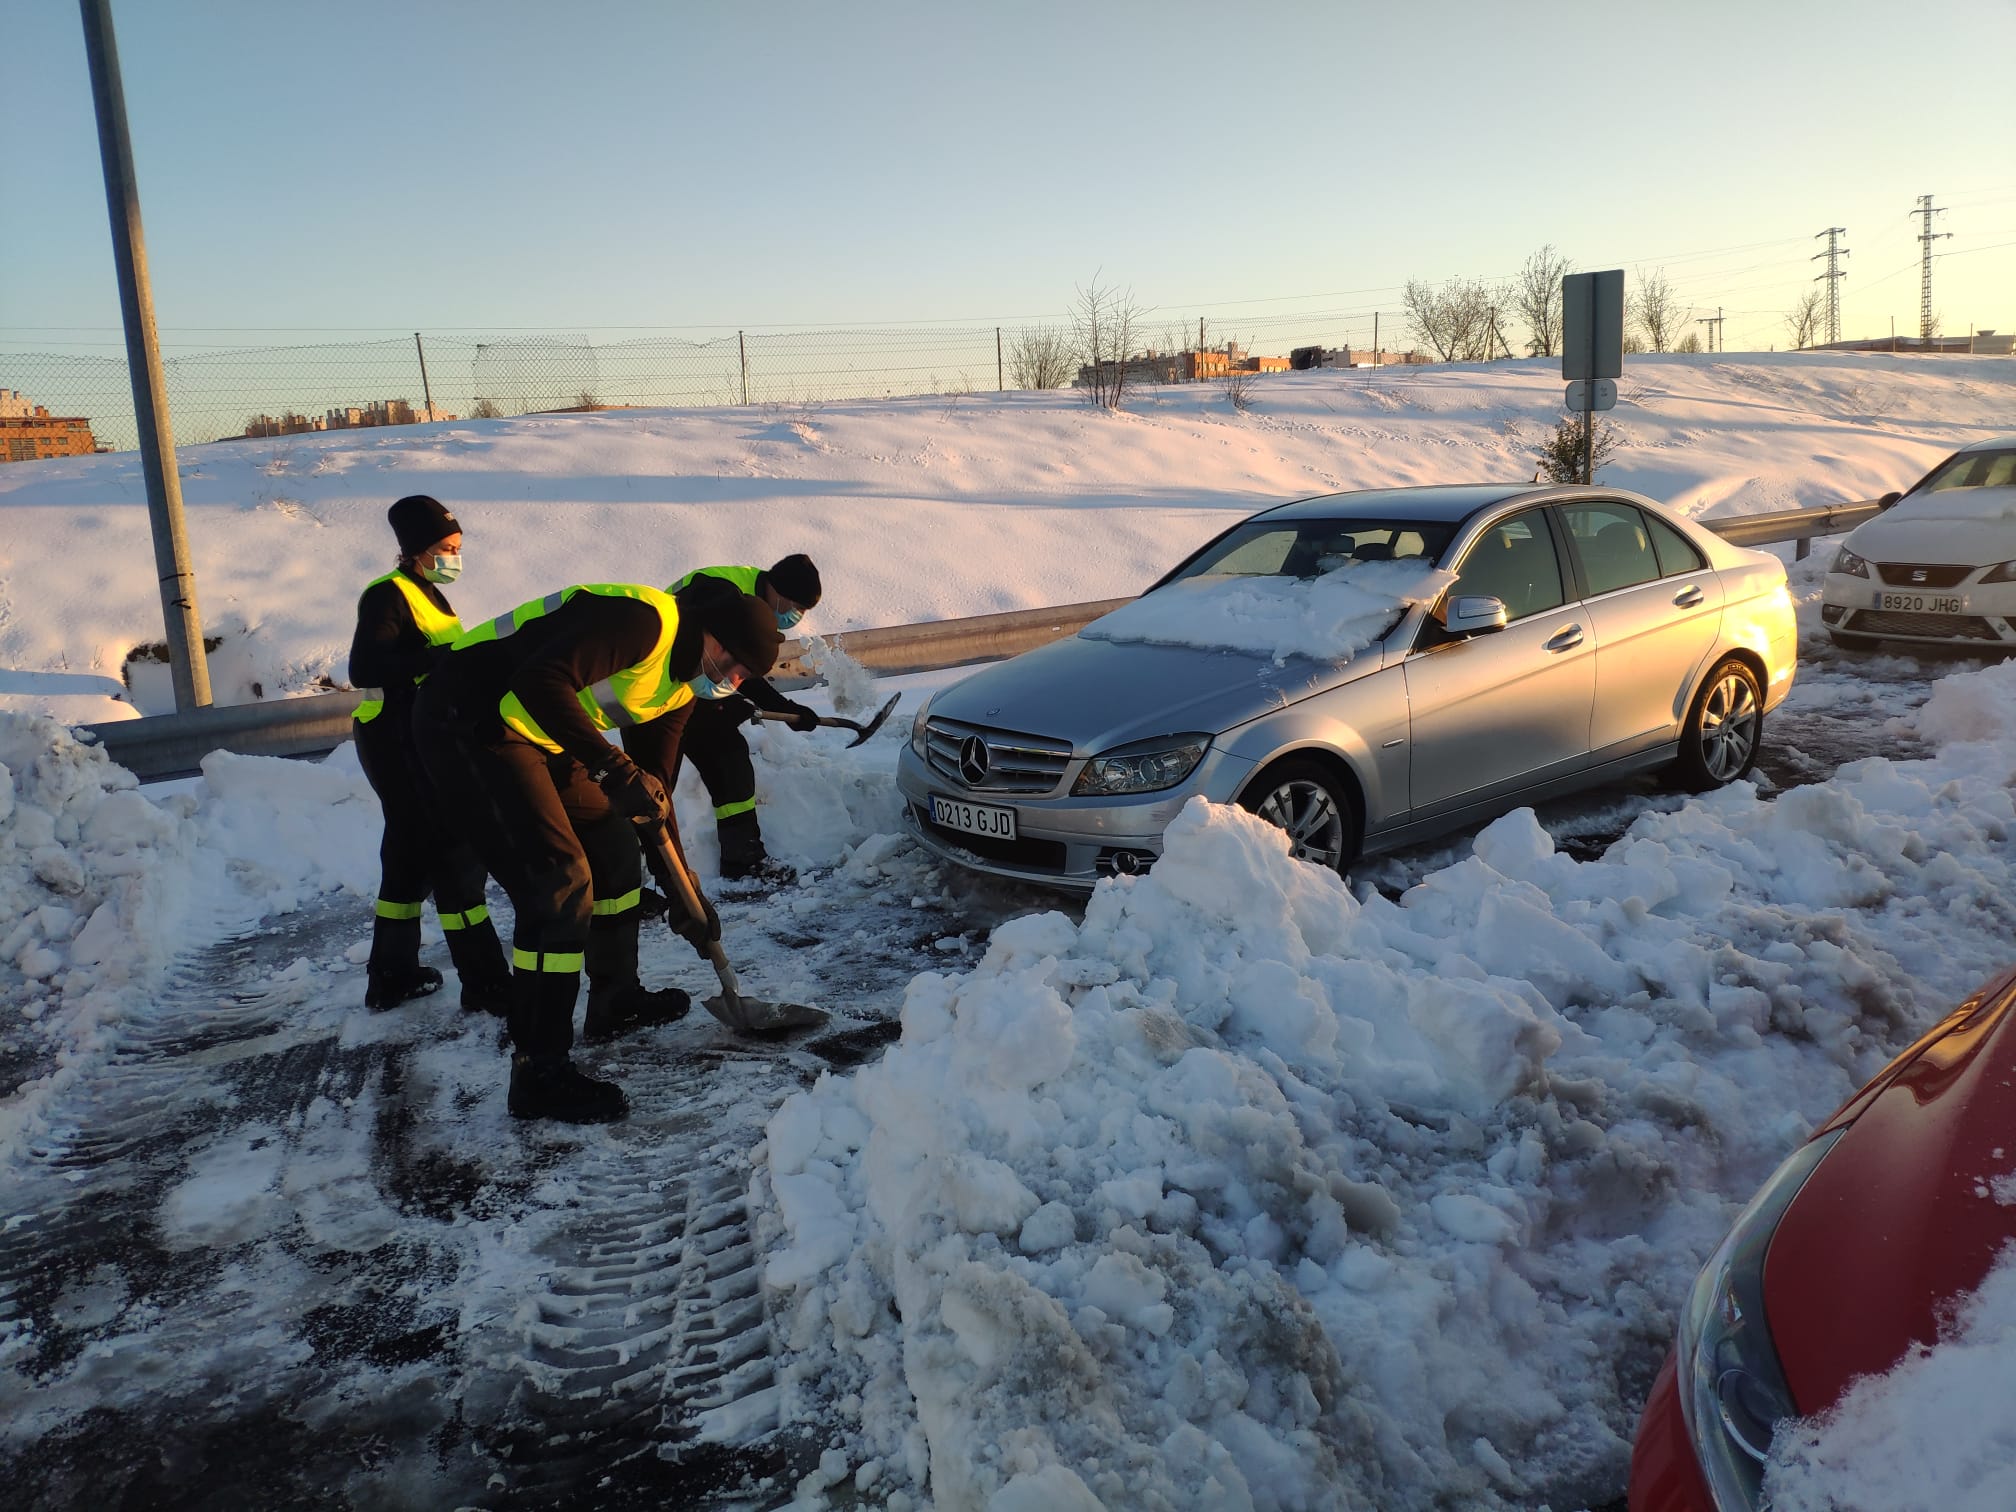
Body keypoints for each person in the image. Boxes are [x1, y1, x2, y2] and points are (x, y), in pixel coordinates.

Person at [414, 574, 783, 1123]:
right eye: (733, 663)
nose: (731, 681)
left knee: (615, 847)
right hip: (469, 716)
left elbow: (651, 796)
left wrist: (684, 888)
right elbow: (540, 680)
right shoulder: (644, 623)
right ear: (712, 632)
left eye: (744, 677)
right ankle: (539, 1068)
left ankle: (616, 1000)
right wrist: (610, 764)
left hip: (542, 733)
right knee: (559, 883)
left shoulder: (680, 688)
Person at [347, 494, 511, 1014]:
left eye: (458, 546)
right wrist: (446, 658)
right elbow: (366, 668)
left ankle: (391, 975)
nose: (454, 556)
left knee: (407, 856)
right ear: (416, 550)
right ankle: (484, 982)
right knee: (453, 851)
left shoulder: (426, 593)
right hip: (396, 739)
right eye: (445, 547)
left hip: (415, 735)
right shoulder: (387, 595)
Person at [666, 555, 823, 887]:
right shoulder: (722, 592)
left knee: (730, 760)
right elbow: (714, 658)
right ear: (777, 590)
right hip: (665, 688)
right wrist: (735, 701)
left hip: (692, 687)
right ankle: (648, 878)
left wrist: (787, 709)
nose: (797, 616)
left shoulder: (755, 599)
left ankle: (742, 859)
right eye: (796, 606)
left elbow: (741, 669)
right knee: (654, 785)